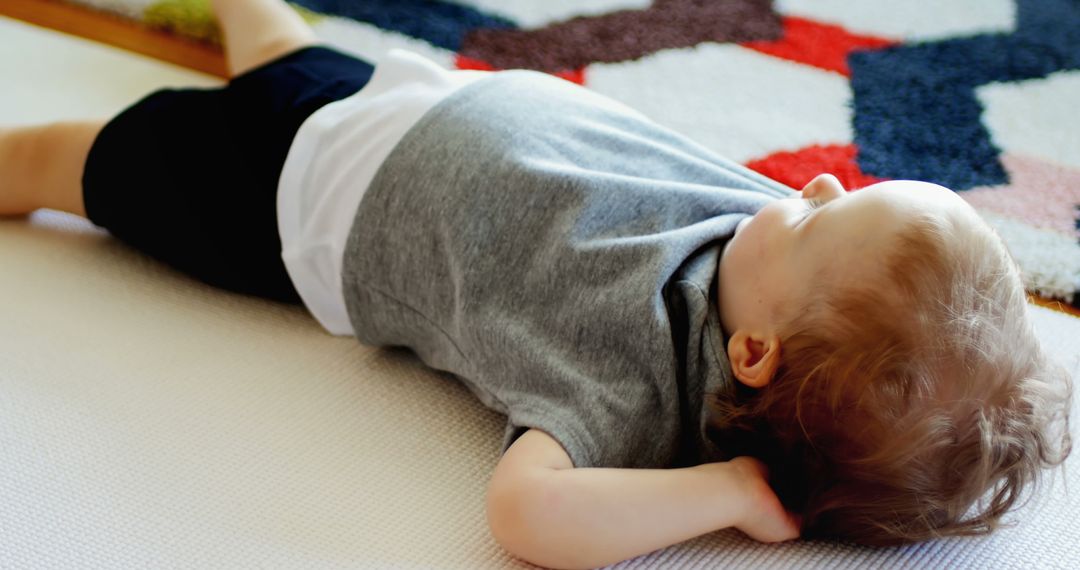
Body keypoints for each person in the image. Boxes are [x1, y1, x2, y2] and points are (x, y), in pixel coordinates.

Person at [0, 1, 1072, 569]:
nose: (821, 179)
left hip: (291, 194)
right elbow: (904, 308)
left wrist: (732, 494)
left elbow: (528, 514)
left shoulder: (634, 384)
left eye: (824, 209)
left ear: (755, 357)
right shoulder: (780, 272)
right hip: (402, 104)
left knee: (67, 156)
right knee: (282, 52)